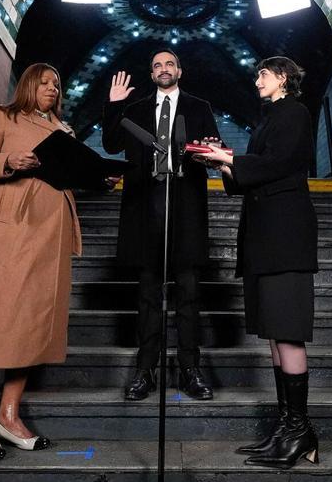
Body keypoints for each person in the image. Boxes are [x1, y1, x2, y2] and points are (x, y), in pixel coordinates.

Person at [0, 63, 106, 461]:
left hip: (48, 235)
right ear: (29, 84)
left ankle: (9, 414)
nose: (53, 88)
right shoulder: (4, 115)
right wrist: (9, 161)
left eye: (58, 83)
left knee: (33, 320)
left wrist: (95, 174)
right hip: (7, 229)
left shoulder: (62, 130)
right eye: (46, 82)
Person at [197, 56, 320, 468]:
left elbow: (281, 164)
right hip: (264, 237)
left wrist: (231, 160)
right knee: (273, 333)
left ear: (283, 76)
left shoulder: (295, 113)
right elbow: (252, 177)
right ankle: (288, 428)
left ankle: (300, 430)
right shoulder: (268, 119)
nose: (256, 81)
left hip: (285, 236)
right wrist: (223, 164)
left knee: (287, 332)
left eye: (262, 74)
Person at [101, 49, 219, 401]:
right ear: (151, 74)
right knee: (148, 295)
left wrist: (208, 149)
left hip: (186, 208)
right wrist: (113, 104)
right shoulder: (135, 109)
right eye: (156, 66)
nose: (163, 69)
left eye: (169, 64)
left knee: (188, 294)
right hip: (144, 208)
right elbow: (110, 144)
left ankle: (190, 370)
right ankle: (144, 371)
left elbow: (213, 149)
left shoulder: (200, 107)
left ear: (179, 70)